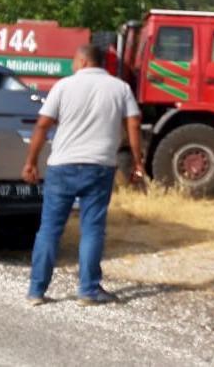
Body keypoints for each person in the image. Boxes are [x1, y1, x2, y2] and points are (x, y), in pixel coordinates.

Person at [22, 45, 145, 306]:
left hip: (62, 166)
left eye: (74, 61)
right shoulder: (120, 88)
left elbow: (43, 125)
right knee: (92, 229)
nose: (72, 66)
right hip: (99, 167)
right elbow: (133, 123)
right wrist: (137, 162)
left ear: (83, 60)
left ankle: (36, 291)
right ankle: (88, 291)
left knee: (49, 229)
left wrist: (31, 162)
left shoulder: (63, 86)